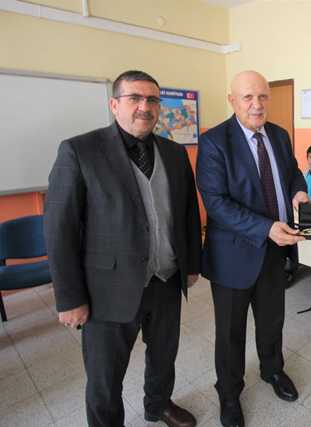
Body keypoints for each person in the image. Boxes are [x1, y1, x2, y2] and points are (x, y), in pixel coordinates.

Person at [44, 70, 201, 427]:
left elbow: (189, 213)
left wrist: (191, 264)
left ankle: (158, 404)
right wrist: (69, 298)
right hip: (107, 290)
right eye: (135, 98)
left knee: (164, 356)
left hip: (165, 280)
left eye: (152, 99)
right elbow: (59, 229)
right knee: (105, 376)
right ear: (114, 104)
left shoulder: (175, 153)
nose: (145, 106)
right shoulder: (79, 151)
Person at [196, 70, 309, 427]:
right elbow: (216, 203)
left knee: (272, 321)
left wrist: (299, 191)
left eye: (262, 96)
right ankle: (229, 394)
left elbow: (293, 173)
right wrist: (265, 228)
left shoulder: (279, 134)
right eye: (248, 97)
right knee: (230, 333)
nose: (257, 104)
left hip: (275, 251)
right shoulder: (214, 142)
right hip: (233, 255)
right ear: (232, 100)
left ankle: (272, 370)